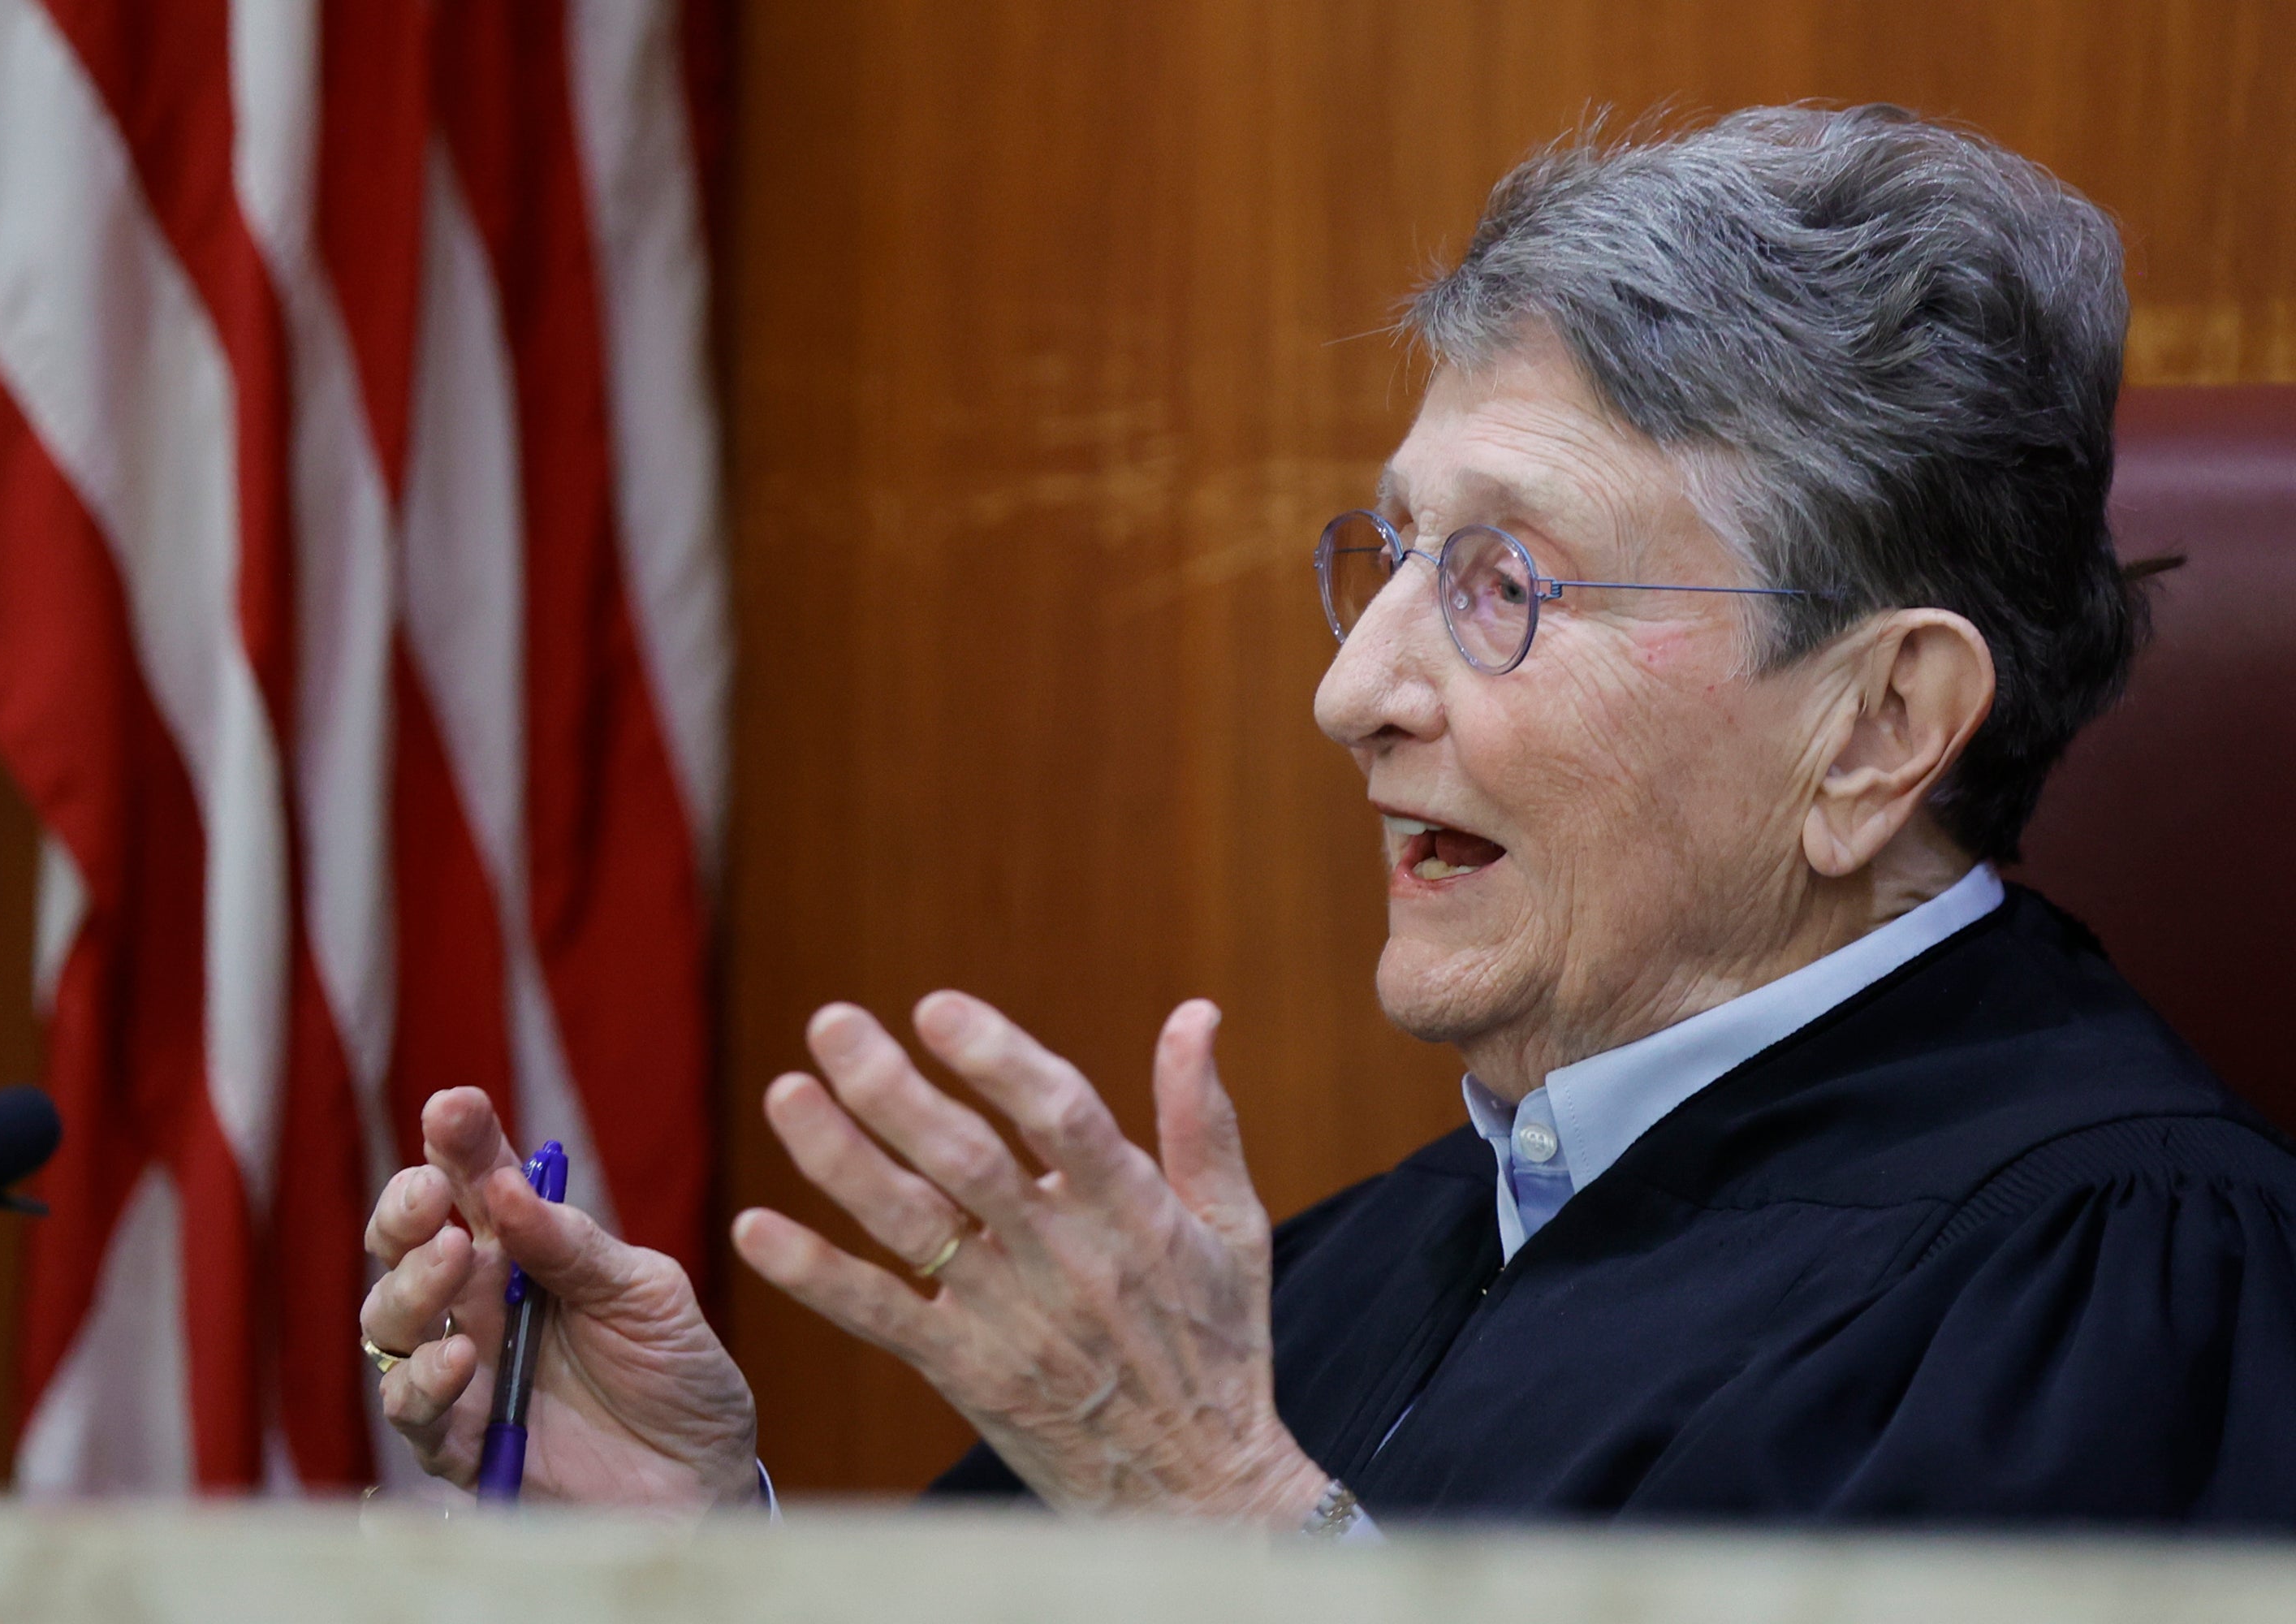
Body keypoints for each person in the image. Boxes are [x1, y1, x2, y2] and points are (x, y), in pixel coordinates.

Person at [357, 105, 2296, 1530]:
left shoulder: (2124, 1294)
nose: (1351, 689)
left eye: (1508, 584)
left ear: (1880, 724)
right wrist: (704, 1545)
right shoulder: (1393, 1249)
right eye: (1394, 554)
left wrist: (1221, 1509)